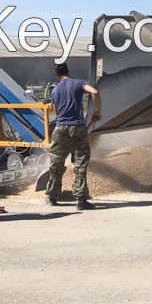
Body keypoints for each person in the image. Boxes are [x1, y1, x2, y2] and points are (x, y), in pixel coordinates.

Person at [45, 63, 101, 210]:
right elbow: (94, 92)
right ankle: (81, 201)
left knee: (56, 164)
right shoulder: (78, 83)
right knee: (80, 165)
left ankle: (51, 197)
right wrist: (97, 111)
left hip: (60, 128)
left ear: (56, 75)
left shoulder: (55, 90)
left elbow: (55, 111)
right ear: (68, 71)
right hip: (78, 128)